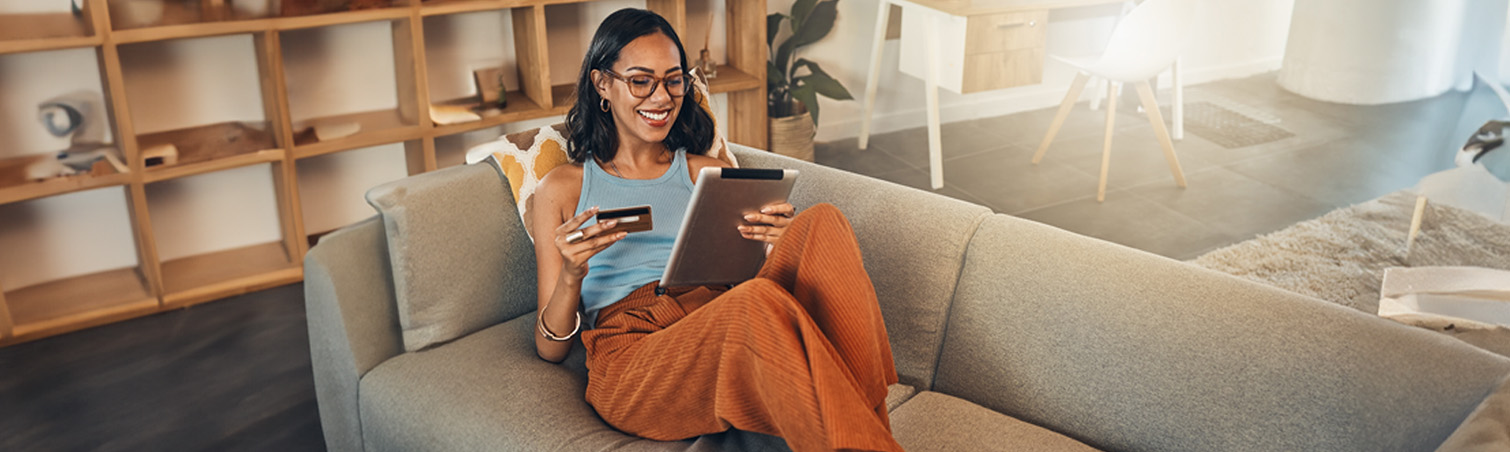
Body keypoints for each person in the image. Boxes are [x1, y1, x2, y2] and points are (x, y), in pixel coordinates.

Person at [531, 9, 903, 452]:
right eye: (641, 81)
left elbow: (745, 282)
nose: (661, 97)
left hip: (717, 316)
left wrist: (775, 245)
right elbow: (549, 348)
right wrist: (572, 274)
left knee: (823, 222)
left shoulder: (707, 173)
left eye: (673, 80)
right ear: (602, 84)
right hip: (632, 355)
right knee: (753, 301)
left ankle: (869, 436)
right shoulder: (563, 187)